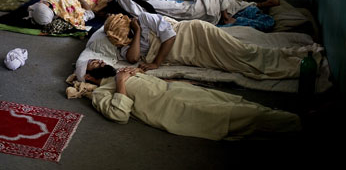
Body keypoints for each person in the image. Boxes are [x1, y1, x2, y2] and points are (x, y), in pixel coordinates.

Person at [77, 59, 301, 141]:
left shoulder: (121, 73)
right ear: (88, 77)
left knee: (242, 105)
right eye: (93, 65)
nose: (98, 61)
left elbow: (154, 82)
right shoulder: (100, 92)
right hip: (177, 108)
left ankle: (292, 121)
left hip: (180, 92)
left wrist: (131, 74)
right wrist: (121, 81)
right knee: (240, 115)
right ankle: (301, 122)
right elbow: (119, 115)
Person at [102, 12, 322, 80]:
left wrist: (157, 62)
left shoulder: (144, 18)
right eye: (125, 41)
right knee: (233, 65)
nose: (127, 42)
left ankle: (298, 59)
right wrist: (137, 35)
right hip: (188, 53)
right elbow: (131, 58)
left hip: (195, 34)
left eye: (129, 35)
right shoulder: (124, 45)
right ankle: (295, 62)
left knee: (244, 53)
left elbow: (169, 36)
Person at [114, 0, 280, 31]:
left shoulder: (146, 1)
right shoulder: (139, 9)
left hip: (192, 7)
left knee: (231, 3)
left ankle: (265, 4)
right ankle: (226, 17)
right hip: (194, 12)